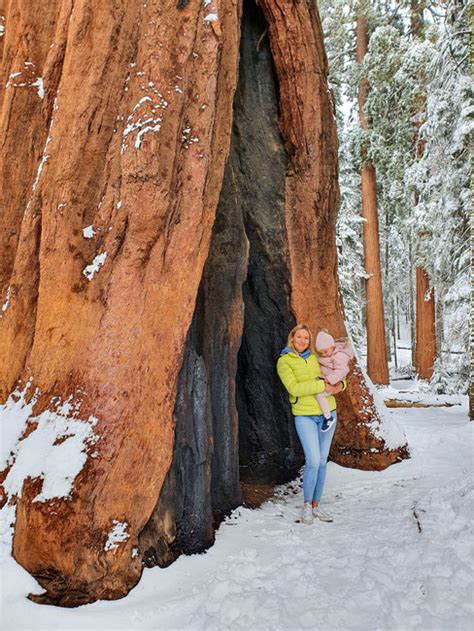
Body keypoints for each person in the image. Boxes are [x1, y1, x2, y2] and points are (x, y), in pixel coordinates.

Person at [276, 324, 345, 525]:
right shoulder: (284, 360)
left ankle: (316, 505)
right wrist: (321, 385)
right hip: (305, 416)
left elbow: (339, 375)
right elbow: (294, 388)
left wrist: (339, 385)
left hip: (328, 414)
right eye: (299, 337)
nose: (303, 341)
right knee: (313, 460)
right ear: (292, 338)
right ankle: (307, 505)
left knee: (323, 462)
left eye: (306, 338)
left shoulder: (317, 357)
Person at [315, 330, 354, 433]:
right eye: (321, 353)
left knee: (320, 395)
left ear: (332, 347)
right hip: (329, 379)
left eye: (325, 351)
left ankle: (328, 418)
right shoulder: (330, 355)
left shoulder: (339, 356)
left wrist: (329, 379)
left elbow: (343, 370)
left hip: (334, 380)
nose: (324, 355)